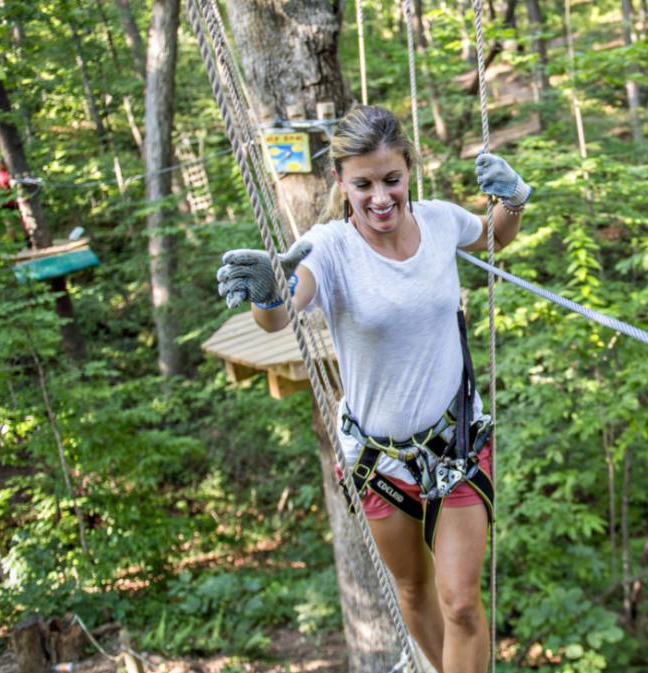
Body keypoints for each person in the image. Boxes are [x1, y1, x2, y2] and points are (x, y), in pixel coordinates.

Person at [215, 105, 532, 673]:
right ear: (340, 181)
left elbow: (493, 239)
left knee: (459, 603)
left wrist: (513, 201)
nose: (380, 197)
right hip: (378, 461)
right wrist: (270, 291)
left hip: (454, 443)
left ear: (410, 170)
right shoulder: (328, 247)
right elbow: (283, 312)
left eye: (392, 180)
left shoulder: (438, 221)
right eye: (363, 184)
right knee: (414, 591)